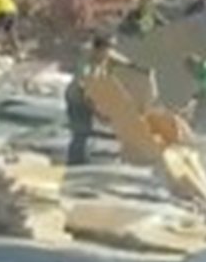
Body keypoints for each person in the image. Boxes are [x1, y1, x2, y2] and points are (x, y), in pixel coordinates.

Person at [64, 34, 152, 165]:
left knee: (86, 129)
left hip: (89, 95)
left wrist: (139, 69)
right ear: (98, 49)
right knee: (81, 129)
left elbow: (122, 61)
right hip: (77, 99)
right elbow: (85, 91)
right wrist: (97, 111)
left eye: (109, 50)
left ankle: (80, 156)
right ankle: (74, 160)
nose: (108, 54)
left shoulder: (105, 55)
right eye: (106, 50)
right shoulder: (86, 64)